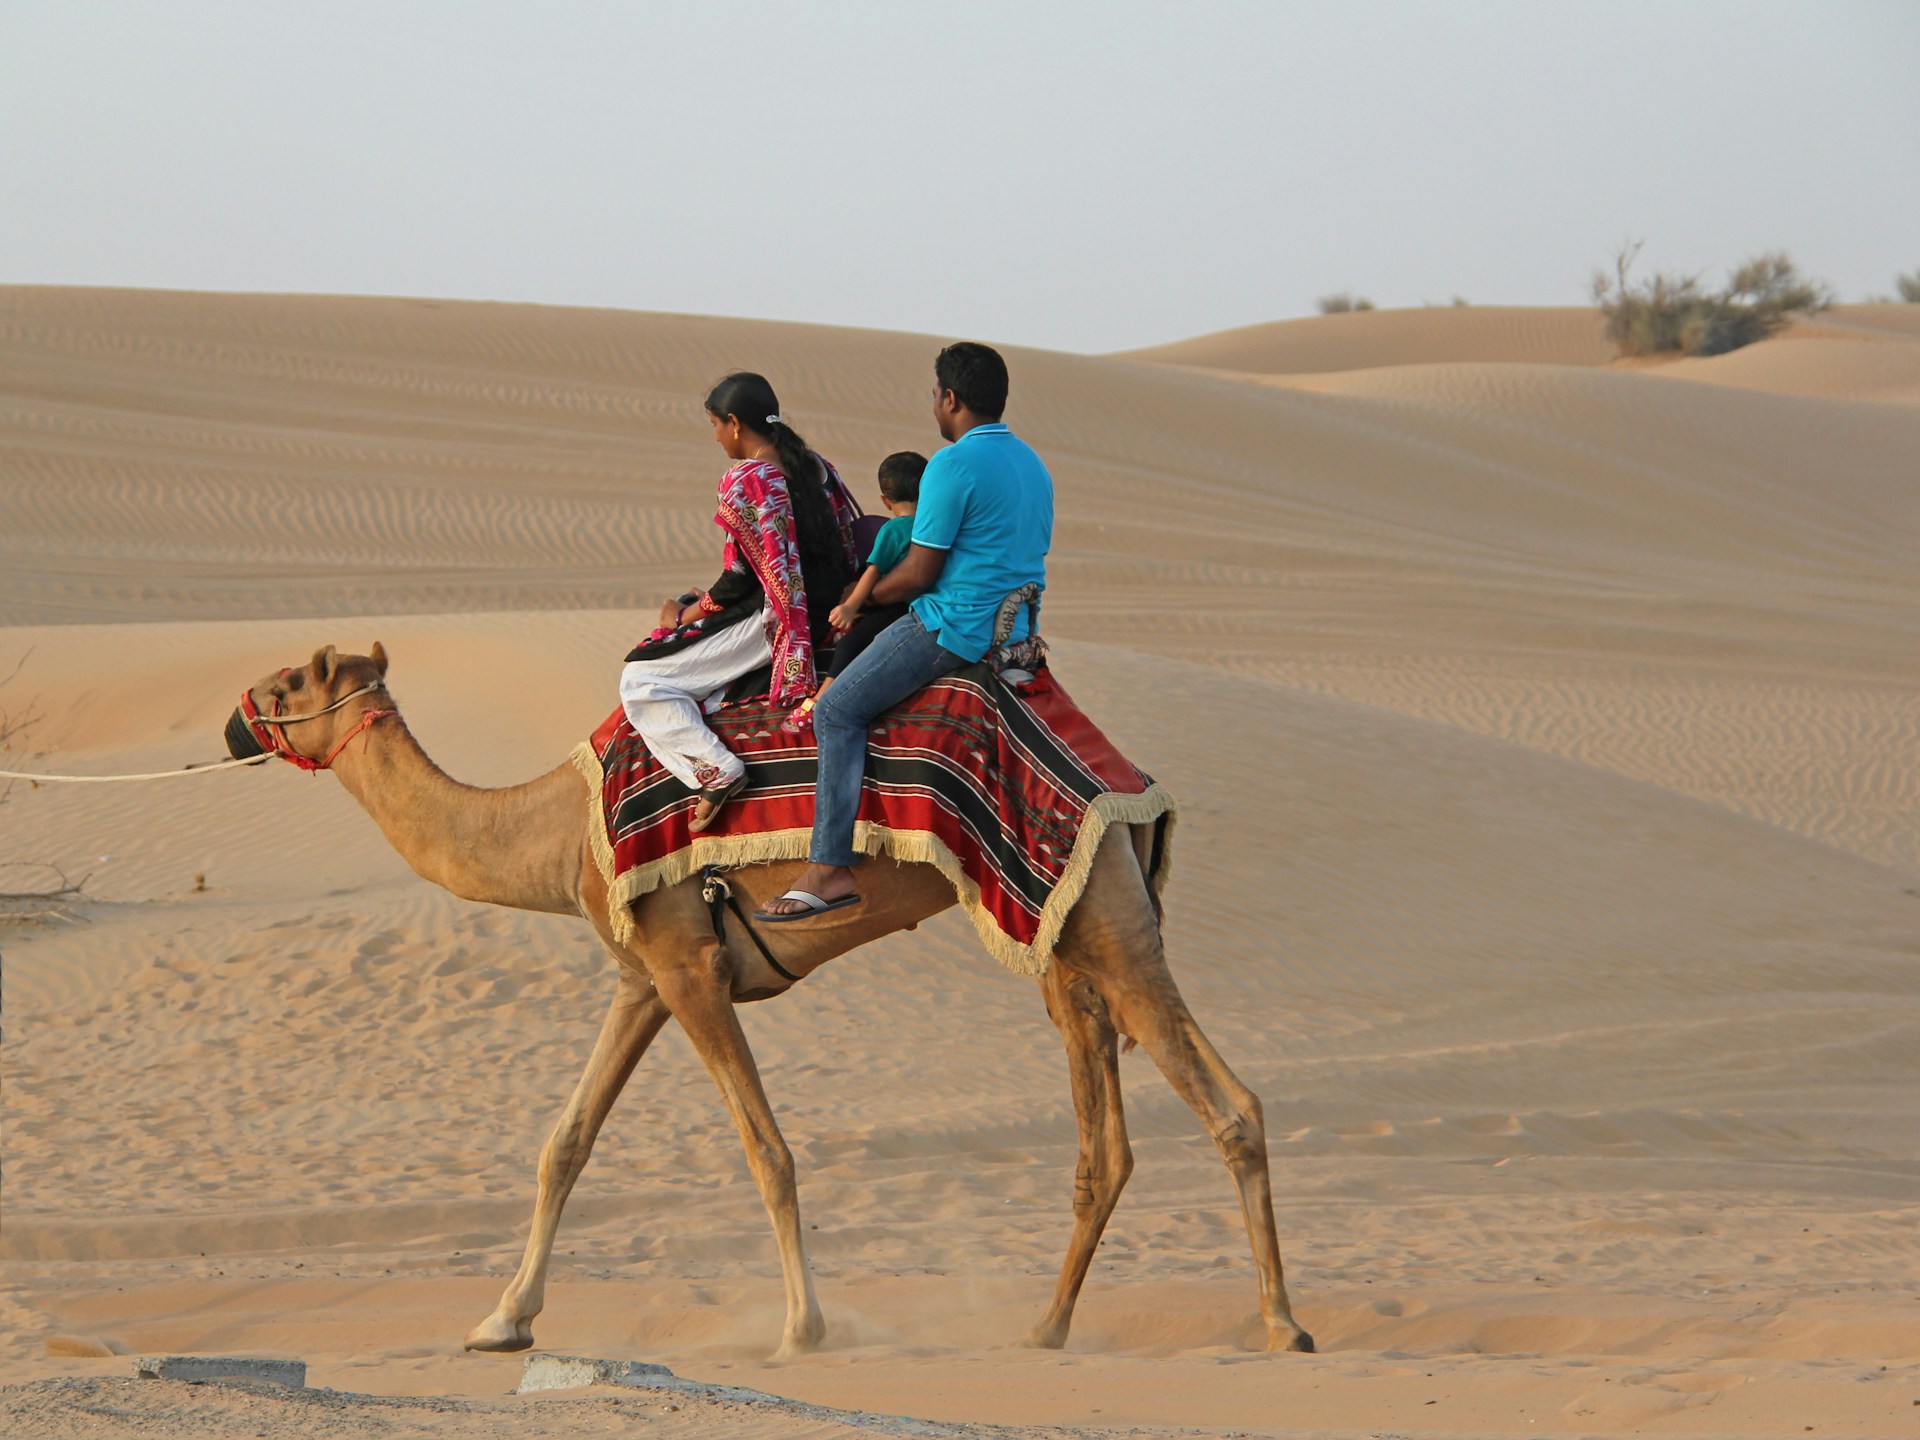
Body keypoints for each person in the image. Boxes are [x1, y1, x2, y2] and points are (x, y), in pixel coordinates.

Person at [757, 342, 1052, 920]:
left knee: (834, 710)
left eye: (935, 397)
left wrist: (858, 601)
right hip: (1019, 631)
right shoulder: (1031, 462)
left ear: (949, 397)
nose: (934, 407)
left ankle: (828, 868)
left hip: (955, 628)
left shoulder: (952, 464)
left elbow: (920, 571)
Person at [619, 372, 859, 832]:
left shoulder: (748, 478)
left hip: (779, 621)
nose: (715, 437)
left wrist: (683, 615)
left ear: (733, 423)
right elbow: (845, 540)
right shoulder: (817, 465)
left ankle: (716, 770)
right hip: (826, 604)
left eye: (713, 425)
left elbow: (739, 579)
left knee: (641, 679)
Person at [782, 450, 925, 735]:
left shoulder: (892, 530)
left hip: (897, 609)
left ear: (885, 500)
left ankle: (819, 700)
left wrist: (850, 607)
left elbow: (872, 571)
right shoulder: (932, 527)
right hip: (925, 609)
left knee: (850, 645)